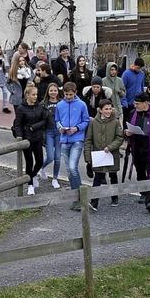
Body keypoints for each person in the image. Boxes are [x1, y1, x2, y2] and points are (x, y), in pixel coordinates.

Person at [56, 82, 90, 211]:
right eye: (66, 94)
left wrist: (76, 128)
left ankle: (81, 197)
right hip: (64, 139)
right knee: (69, 171)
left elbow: (86, 120)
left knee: (72, 167)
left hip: (77, 139)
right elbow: (57, 120)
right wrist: (60, 128)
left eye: (71, 94)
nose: (68, 96)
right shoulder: (60, 105)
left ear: (75, 92)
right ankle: (77, 198)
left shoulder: (81, 104)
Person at [84, 99, 123, 211]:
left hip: (112, 154)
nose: (108, 111)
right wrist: (88, 158)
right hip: (99, 156)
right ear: (100, 110)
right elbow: (88, 140)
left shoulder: (115, 122)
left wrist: (110, 147)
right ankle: (94, 202)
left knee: (113, 175)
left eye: (110, 109)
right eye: (106, 109)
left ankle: (114, 197)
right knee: (98, 177)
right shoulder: (93, 122)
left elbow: (119, 138)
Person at [14, 83, 48, 195]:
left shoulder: (40, 106)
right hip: (27, 140)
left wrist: (35, 127)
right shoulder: (21, 108)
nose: (35, 97)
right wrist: (20, 138)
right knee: (29, 162)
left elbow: (44, 120)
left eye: (36, 94)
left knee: (39, 161)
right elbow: (17, 125)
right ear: (27, 95)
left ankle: (31, 177)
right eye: (33, 94)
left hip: (37, 137)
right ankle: (30, 185)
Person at [40, 82, 62, 189]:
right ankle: (41, 167)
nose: (53, 92)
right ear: (48, 92)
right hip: (48, 132)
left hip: (59, 133)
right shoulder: (43, 104)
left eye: (55, 90)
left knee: (58, 158)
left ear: (58, 91)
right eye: (51, 90)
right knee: (50, 157)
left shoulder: (62, 102)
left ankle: (55, 178)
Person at [121, 57, 146, 125]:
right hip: (128, 104)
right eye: (138, 68)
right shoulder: (126, 74)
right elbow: (122, 89)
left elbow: (142, 87)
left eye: (140, 68)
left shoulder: (142, 74)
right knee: (127, 123)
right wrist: (124, 102)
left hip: (138, 103)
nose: (139, 70)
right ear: (134, 65)